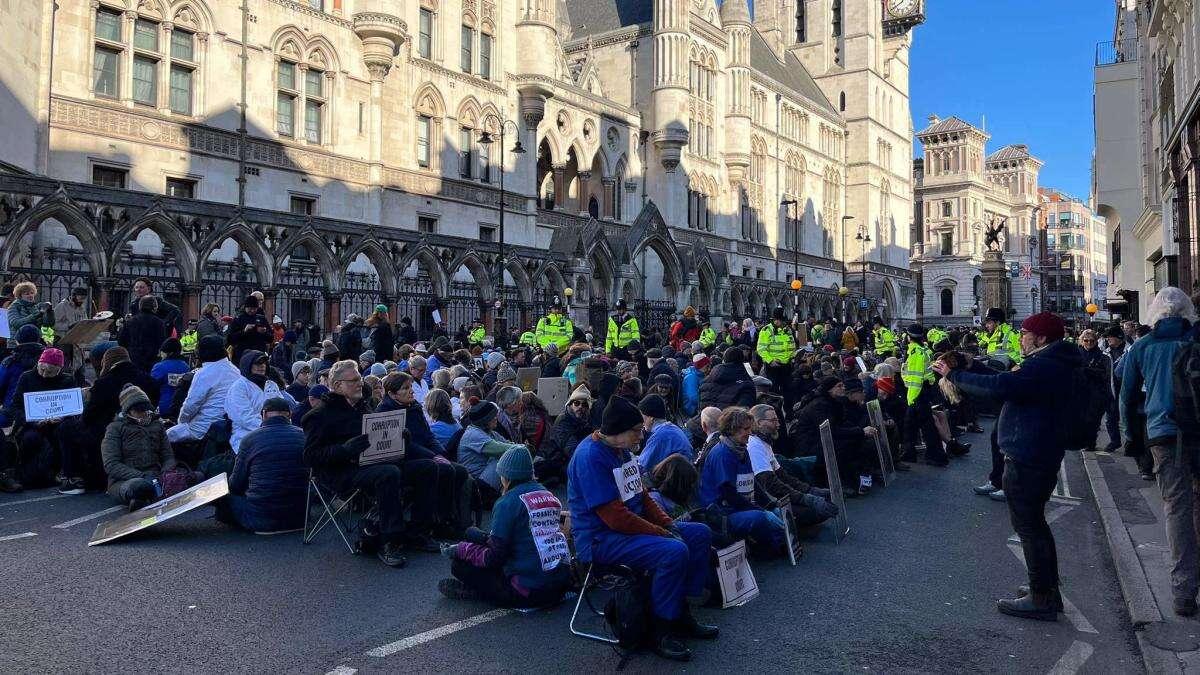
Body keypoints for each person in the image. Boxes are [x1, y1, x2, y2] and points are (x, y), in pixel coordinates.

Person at [935, 311, 1081, 620]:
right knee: (1034, 526)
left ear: (1040, 338)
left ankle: (1041, 597)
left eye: (1025, 333)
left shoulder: (1044, 365)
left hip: (1029, 455)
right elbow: (1007, 381)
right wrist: (971, 368)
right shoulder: (1052, 363)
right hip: (1038, 451)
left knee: (1029, 527)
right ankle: (1044, 588)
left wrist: (956, 375)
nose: (1020, 338)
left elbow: (1002, 387)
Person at [566, 396, 718, 662]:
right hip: (600, 539)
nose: (642, 434)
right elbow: (615, 518)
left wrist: (668, 523)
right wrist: (661, 532)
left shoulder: (621, 451)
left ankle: (679, 610)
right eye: (636, 430)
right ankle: (661, 630)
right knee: (673, 551)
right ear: (618, 430)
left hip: (624, 530)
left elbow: (643, 496)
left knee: (699, 534)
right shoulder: (590, 458)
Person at [1117, 287, 1200, 616]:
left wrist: (1129, 438)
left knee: (1176, 508)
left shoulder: (1143, 347)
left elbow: (1125, 396)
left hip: (1164, 434)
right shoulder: (1194, 341)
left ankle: (1183, 591)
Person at [303, 360, 409, 567]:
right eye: (353, 381)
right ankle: (389, 542)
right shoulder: (318, 416)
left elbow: (377, 441)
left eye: (360, 379)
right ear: (337, 386)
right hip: (338, 474)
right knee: (389, 474)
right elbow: (310, 457)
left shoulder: (363, 408)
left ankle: (420, 530)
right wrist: (344, 450)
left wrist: (399, 437)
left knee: (426, 468)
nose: (360, 384)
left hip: (366, 465)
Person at [437, 445, 573, 606]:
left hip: (531, 591)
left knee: (460, 566)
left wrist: (461, 549)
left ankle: (477, 592)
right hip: (560, 585)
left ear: (507, 477)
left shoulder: (507, 503)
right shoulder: (548, 495)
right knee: (472, 533)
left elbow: (495, 558)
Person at [377, 372, 466, 544]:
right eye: (406, 388)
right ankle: (427, 525)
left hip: (424, 453)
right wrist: (433, 456)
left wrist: (441, 453)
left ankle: (445, 518)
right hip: (404, 458)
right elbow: (404, 445)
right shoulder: (386, 413)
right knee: (442, 469)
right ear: (392, 394)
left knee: (459, 470)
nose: (411, 391)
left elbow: (428, 435)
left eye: (411, 387)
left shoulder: (414, 407)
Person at [61, 346, 158, 493]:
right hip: (143, 430)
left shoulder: (104, 382)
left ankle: (76, 478)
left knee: (67, 427)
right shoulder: (148, 380)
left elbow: (88, 416)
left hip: (107, 433)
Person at [214, 397, 309, 533]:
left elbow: (236, 484)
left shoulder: (250, 439)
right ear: (290, 415)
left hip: (262, 519)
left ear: (263, 415)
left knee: (223, 498)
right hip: (301, 518)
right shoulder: (304, 436)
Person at [699, 407, 787, 552]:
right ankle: (769, 548)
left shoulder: (741, 449)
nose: (750, 433)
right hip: (722, 513)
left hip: (736, 507)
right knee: (759, 518)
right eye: (746, 429)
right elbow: (730, 494)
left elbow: (752, 483)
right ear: (732, 429)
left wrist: (770, 505)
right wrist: (762, 511)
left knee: (777, 512)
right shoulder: (722, 454)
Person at [747, 404, 837, 527]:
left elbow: (783, 476)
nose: (778, 425)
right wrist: (806, 499)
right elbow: (771, 485)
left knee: (826, 498)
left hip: (772, 496)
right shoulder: (754, 445)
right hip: (765, 503)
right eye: (773, 421)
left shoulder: (764, 443)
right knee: (815, 512)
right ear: (758, 423)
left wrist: (809, 490)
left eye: (777, 420)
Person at [2, 347, 75, 491]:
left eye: (50, 372)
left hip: (57, 424)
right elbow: (15, 406)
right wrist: (31, 420)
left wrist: (62, 417)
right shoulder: (27, 377)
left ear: (60, 369)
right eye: (42, 370)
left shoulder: (68, 380)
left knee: (62, 434)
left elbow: (72, 408)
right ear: (38, 364)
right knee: (31, 438)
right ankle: (23, 472)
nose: (45, 375)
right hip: (30, 424)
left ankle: (54, 471)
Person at [101, 384, 176, 511]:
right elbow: (111, 464)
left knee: (195, 477)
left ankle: (154, 494)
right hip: (126, 480)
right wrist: (142, 475)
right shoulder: (115, 428)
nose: (143, 414)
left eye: (145, 410)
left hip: (156, 475)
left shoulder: (157, 425)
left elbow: (168, 456)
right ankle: (143, 498)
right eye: (138, 411)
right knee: (140, 487)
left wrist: (165, 473)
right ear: (128, 412)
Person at [168, 335, 240, 444]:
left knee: (165, 438)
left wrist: (181, 422)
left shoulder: (203, 373)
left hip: (204, 427)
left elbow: (192, 404)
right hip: (231, 425)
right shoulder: (235, 370)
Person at [459, 401, 525, 506]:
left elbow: (509, 444)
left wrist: (520, 448)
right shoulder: (473, 434)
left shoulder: (490, 432)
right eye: (493, 416)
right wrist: (524, 448)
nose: (496, 418)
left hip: (485, 476)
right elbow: (501, 449)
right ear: (484, 420)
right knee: (505, 457)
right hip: (477, 483)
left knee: (511, 454)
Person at [226, 350, 293, 454]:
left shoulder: (271, 385)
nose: (262, 366)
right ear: (247, 365)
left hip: (276, 434)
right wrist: (269, 429)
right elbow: (245, 418)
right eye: (257, 363)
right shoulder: (239, 387)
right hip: (247, 437)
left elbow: (283, 409)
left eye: (264, 363)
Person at [900, 324, 947, 466]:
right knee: (913, 425)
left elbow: (916, 379)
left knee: (924, 426)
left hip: (917, 394)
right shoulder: (923, 350)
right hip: (924, 392)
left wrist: (911, 398)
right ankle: (914, 454)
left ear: (909, 337)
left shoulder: (916, 353)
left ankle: (934, 456)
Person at [538, 385, 594, 484]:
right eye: (577, 403)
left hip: (571, 460)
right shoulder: (563, 421)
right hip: (557, 461)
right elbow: (570, 448)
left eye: (584, 405)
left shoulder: (586, 421)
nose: (580, 407)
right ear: (570, 404)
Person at [1077, 329, 1112, 452]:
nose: (1088, 343)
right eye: (1086, 340)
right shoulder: (1076, 355)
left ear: (1096, 341)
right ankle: (1082, 441)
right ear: (1081, 341)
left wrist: (1087, 370)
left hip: (1096, 392)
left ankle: (1090, 443)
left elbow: (1105, 374)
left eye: (1091, 341)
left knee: (1093, 419)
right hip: (1080, 391)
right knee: (1080, 419)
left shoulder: (1102, 356)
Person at [637, 394, 693, 470]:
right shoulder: (671, 428)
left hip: (675, 477)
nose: (641, 421)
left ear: (651, 418)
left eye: (642, 416)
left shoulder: (660, 435)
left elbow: (643, 465)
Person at [119, 295, 168, 374]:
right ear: (154, 307)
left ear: (140, 306)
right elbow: (162, 342)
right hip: (151, 359)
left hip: (133, 358)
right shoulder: (159, 322)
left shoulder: (131, 321)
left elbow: (121, 341)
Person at [756, 308, 795, 400]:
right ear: (776, 320)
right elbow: (761, 349)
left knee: (788, 391)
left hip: (787, 366)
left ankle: (788, 412)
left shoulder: (787, 330)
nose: (784, 323)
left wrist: (792, 357)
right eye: (782, 320)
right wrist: (770, 360)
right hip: (774, 366)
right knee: (774, 392)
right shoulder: (766, 330)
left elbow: (792, 346)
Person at [1101, 325, 1127, 453]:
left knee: (1127, 419)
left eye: (1110, 337)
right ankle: (1114, 441)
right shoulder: (1106, 352)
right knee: (1110, 418)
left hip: (1126, 389)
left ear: (1119, 337)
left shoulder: (1129, 350)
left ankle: (1130, 443)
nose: (1108, 339)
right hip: (1111, 390)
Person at [150, 338, 190, 417]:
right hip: (181, 406)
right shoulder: (185, 366)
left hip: (163, 406)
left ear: (169, 353)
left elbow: (151, 386)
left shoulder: (159, 367)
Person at [6, 281, 54, 347]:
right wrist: (35, 316)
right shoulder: (14, 307)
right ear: (20, 296)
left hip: (34, 344)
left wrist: (49, 312)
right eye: (27, 294)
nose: (30, 295)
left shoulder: (35, 307)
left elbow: (48, 324)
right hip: (16, 345)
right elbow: (16, 323)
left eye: (32, 293)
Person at [227, 295, 272, 363]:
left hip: (259, 355)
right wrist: (244, 331)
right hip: (242, 355)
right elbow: (230, 339)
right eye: (250, 308)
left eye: (255, 308)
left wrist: (264, 332)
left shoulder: (262, 319)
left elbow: (271, 338)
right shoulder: (238, 319)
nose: (252, 310)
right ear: (245, 307)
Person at [681, 353, 708, 418]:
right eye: (707, 365)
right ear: (701, 365)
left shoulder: (701, 374)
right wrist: (707, 404)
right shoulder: (691, 377)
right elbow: (693, 398)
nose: (709, 366)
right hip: (692, 408)